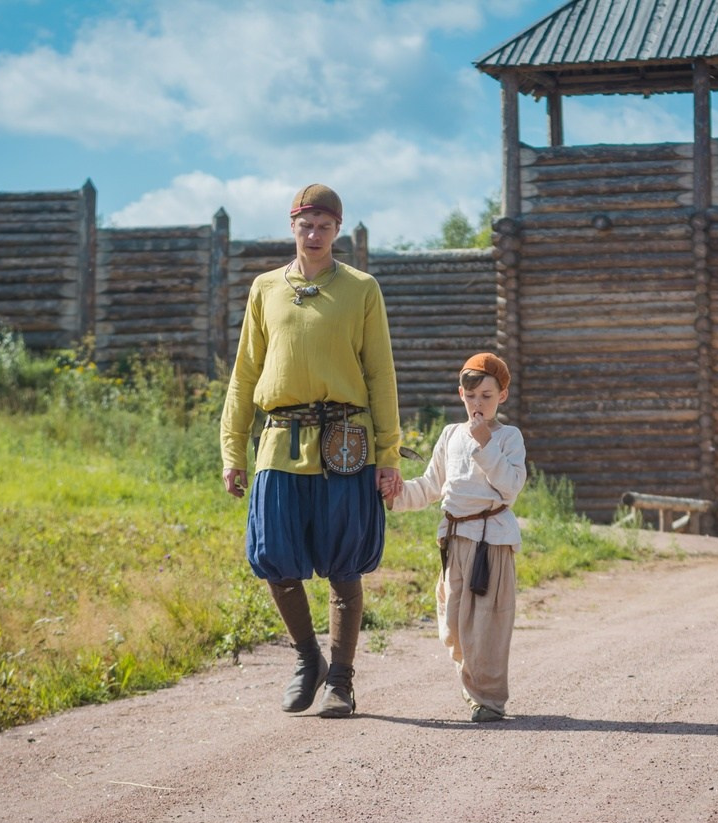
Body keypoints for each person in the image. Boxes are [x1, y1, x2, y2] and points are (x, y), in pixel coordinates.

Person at [220, 184, 403, 719]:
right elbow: (244, 374)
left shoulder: (362, 289)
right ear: (292, 225)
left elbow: (380, 375)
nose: (314, 233)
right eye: (306, 224)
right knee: (275, 558)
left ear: (337, 229)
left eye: (324, 225)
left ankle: (341, 681)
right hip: (279, 441)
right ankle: (308, 659)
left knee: (344, 564)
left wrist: (388, 456)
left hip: (345, 442)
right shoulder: (264, 288)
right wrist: (233, 450)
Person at [387, 353, 526, 723]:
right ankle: (474, 684)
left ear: (503, 396)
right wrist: (393, 495)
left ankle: (489, 700)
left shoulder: (509, 438)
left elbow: (511, 488)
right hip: (455, 539)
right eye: (471, 396)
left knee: (488, 623)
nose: (478, 404)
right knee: (453, 627)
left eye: (486, 395)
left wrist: (486, 445)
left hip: (491, 540)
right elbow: (433, 485)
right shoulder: (450, 435)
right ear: (460, 394)